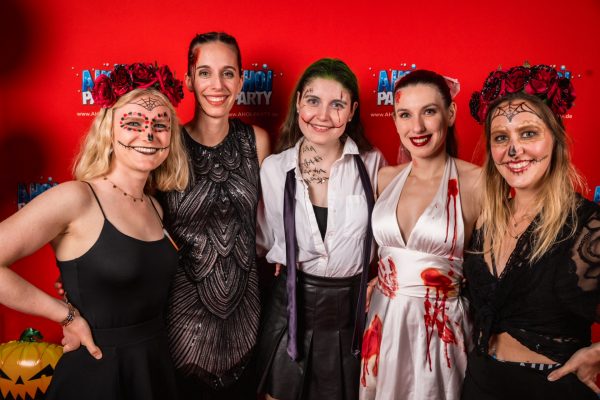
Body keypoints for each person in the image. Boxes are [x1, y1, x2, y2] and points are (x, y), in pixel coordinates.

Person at [0, 62, 189, 399]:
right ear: (108, 130)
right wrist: (66, 316)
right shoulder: (78, 198)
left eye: (160, 125)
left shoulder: (155, 205)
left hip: (154, 368)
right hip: (98, 373)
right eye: (133, 123)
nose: (148, 135)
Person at [462, 64, 600, 399]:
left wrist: (598, 354)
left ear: (556, 138)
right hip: (479, 382)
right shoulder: (486, 220)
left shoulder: (587, 225)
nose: (514, 150)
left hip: (549, 388)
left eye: (528, 134)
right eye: (501, 138)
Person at [255, 58, 385, 400]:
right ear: (298, 102)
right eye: (313, 100)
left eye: (337, 104)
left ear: (352, 111)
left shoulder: (374, 164)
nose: (323, 115)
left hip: (350, 314)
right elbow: (264, 240)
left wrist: (383, 278)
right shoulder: (273, 169)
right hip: (289, 311)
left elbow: (391, 237)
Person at [157, 32, 270, 399]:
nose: (217, 85)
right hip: (182, 325)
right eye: (205, 73)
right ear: (189, 80)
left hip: (247, 321)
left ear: (241, 80)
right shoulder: (166, 146)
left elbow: (276, 224)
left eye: (228, 73)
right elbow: (134, 216)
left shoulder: (257, 141)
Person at [359, 70, 482, 400]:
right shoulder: (384, 178)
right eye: (405, 114)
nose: (417, 127)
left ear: (450, 114)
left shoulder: (478, 182)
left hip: (441, 331)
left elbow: (495, 270)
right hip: (383, 321)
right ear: (395, 121)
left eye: (428, 111)